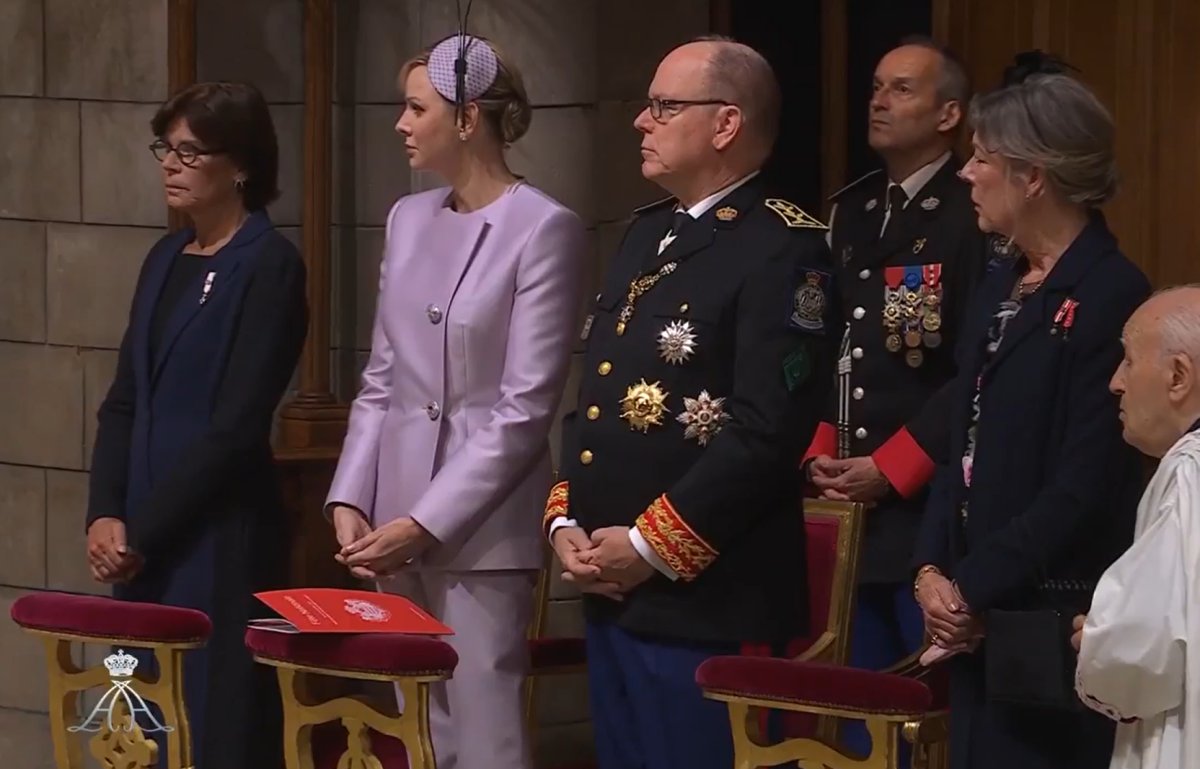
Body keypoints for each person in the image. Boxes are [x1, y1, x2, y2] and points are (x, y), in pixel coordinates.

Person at [542, 36, 836, 769]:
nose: (642, 121)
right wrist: (566, 518)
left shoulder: (783, 247)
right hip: (609, 579)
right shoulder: (647, 232)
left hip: (705, 592)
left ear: (725, 124)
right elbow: (600, 396)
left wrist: (647, 547)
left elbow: (767, 431)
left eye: (664, 106)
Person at [325, 33, 587, 769]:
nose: (402, 125)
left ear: (468, 117)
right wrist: (352, 495)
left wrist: (425, 520)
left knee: (483, 729)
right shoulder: (407, 219)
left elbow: (525, 407)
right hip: (391, 517)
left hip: (480, 525)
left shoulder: (543, 227)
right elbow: (381, 377)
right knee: (415, 731)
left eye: (416, 108)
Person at [911, 53, 1150, 769]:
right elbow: (962, 443)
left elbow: (1083, 484)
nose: (965, 172)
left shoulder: (1110, 292)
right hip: (971, 615)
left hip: (1046, 620)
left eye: (982, 157)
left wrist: (971, 586)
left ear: (1033, 175)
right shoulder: (999, 282)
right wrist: (930, 568)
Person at [85, 81, 308, 769]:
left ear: (239, 165)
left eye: (190, 151)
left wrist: (143, 532)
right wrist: (104, 515)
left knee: (212, 733)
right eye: (166, 148)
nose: (170, 164)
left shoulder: (268, 265)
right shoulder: (164, 258)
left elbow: (238, 426)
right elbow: (125, 400)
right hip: (142, 546)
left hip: (216, 541)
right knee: (138, 731)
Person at [802, 35, 986, 701]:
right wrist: (820, 451)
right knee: (852, 702)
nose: (879, 101)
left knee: (917, 704)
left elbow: (973, 368)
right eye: (876, 87)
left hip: (923, 501)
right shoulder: (853, 210)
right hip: (842, 496)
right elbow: (831, 344)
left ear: (949, 115)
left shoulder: (973, 215)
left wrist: (893, 467)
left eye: (901, 89)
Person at [1073, 285, 1200, 769]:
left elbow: (1144, 651)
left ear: (1178, 376)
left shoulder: (1188, 471)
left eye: (1127, 360)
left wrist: (1099, 640)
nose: (1115, 382)